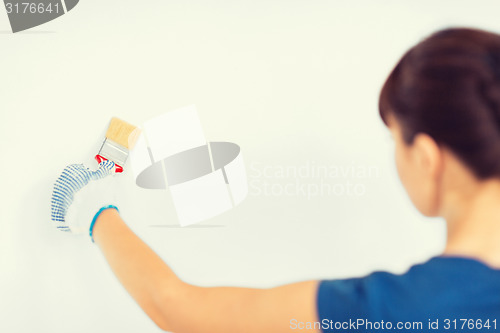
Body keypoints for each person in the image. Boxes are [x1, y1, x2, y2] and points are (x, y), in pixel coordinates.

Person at [51, 27, 500, 332]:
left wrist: (96, 210)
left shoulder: (406, 310)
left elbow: (179, 309)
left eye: (394, 140)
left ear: (425, 156)